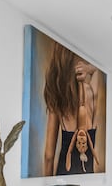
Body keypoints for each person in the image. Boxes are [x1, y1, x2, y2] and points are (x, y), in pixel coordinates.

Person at [43, 43, 102, 175]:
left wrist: (48, 184)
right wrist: (89, 68)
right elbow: (97, 70)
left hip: (63, 175)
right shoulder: (92, 92)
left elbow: (49, 156)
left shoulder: (57, 95)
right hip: (88, 177)